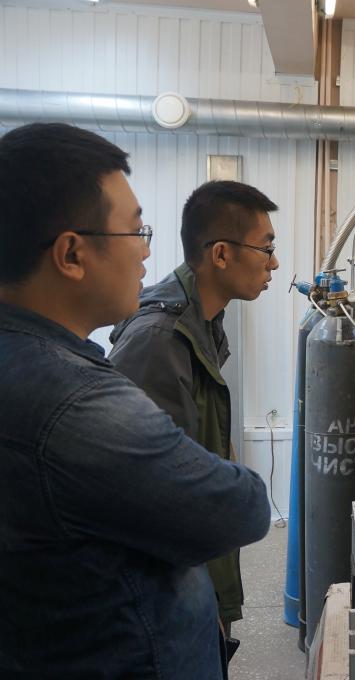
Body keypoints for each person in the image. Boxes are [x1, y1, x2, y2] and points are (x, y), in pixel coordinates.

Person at [0, 123, 270, 679]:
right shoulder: (77, 400)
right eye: (135, 230)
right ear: (71, 253)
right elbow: (234, 508)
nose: (147, 250)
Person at [108, 180, 279, 633]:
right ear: (221, 254)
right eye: (266, 248)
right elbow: (150, 495)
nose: (274, 263)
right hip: (168, 595)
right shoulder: (159, 341)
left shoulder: (201, 321)